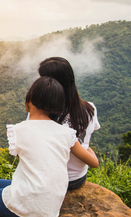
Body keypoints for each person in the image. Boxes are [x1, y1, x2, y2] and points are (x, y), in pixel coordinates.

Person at [0, 77, 98, 217]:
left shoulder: (20, 130)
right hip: (52, 205)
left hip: (30, 203)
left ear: (29, 99)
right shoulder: (65, 133)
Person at [38, 57, 101, 190]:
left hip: (54, 181)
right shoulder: (90, 109)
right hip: (78, 178)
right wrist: (88, 150)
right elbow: (86, 142)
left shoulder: (42, 114)